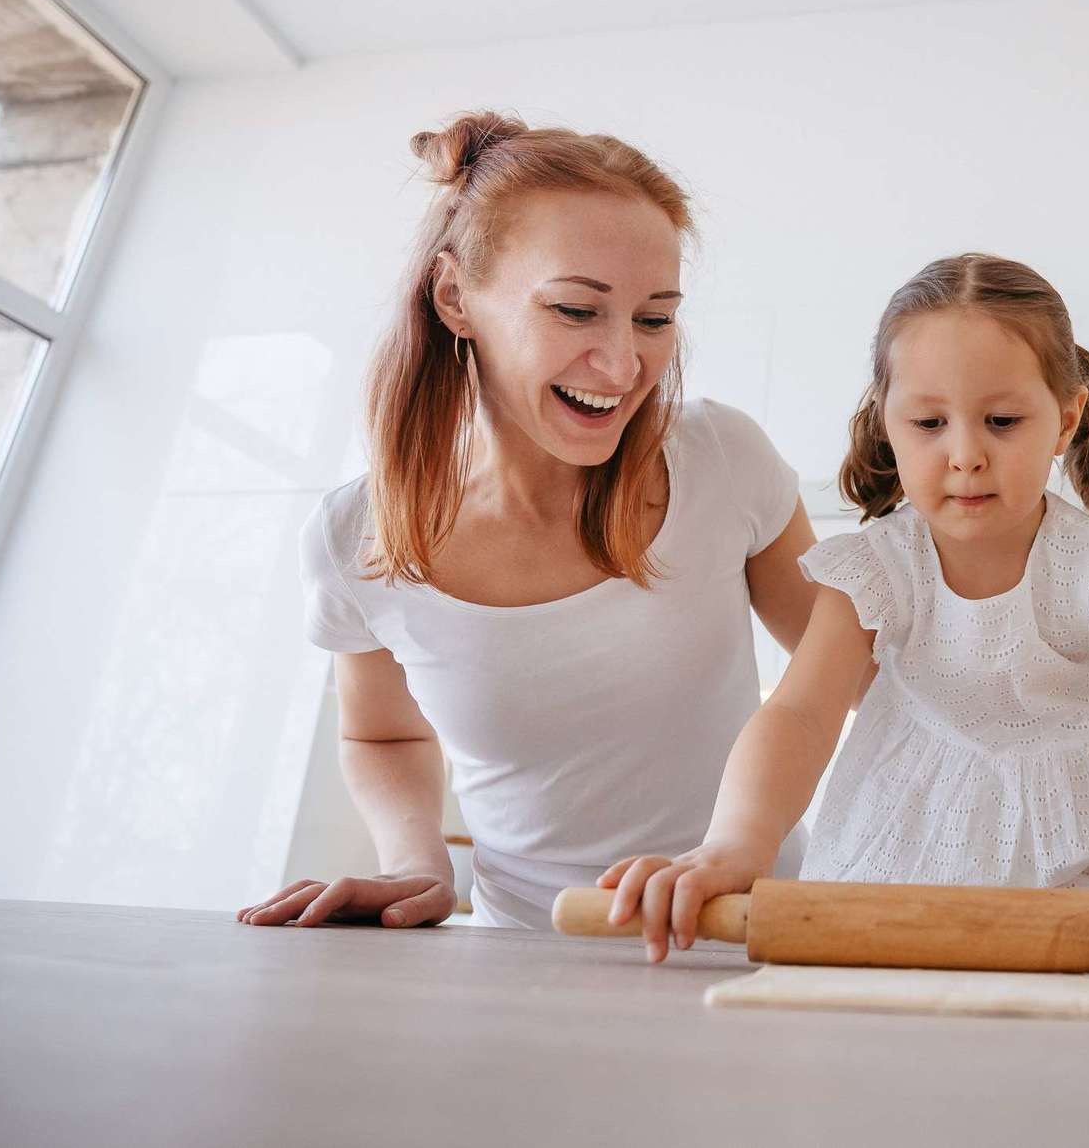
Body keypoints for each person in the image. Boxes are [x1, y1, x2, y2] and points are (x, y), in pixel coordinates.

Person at [602, 253, 1089, 982]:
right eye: (929, 422)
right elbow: (801, 716)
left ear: (1066, 419)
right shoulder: (875, 571)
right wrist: (734, 845)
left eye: (1002, 421)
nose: (966, 454)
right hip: (892, 877)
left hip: (1083, 885)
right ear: (888, 422)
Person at [238, 111, 817, 930]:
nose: (624, 366)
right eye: (577, 311)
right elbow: (383, 737)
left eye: (654, 318)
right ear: (455, 298)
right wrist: (416, 865)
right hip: (522, 949)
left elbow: (853, 673)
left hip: (753, 928)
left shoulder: (722, 460)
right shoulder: (352, 540)